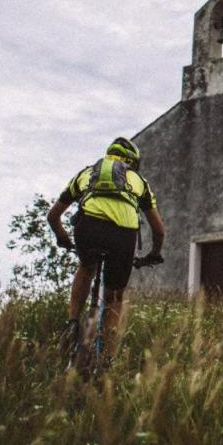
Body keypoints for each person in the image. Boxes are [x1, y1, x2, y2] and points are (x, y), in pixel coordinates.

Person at [47, 137, 166, 367]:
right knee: (114, 297)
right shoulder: (139, 181)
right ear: (132, 162)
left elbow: (53, 216)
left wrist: (63, 237)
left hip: (88, 228)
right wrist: (154, 253)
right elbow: (159, 230)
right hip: (124, 234)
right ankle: (107, 359)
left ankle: (72, 322)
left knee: (86, 266)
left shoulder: (86, 174)